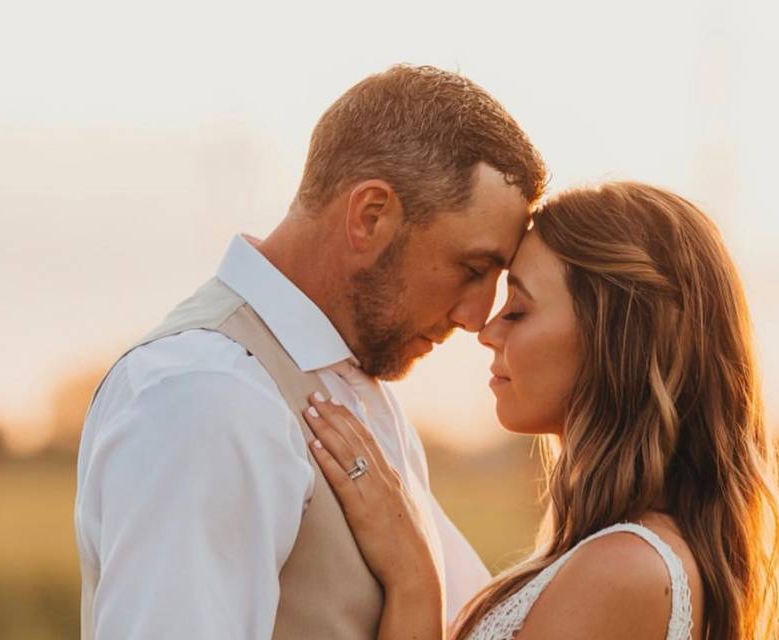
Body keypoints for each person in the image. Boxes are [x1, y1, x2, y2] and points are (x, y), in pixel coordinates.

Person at [73, 64, 547, 639]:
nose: (477, 316)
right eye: (472, 269)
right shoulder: (205, 396)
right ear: (370, 216)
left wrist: (417, 581)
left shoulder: (355, 388)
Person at [303, 182, 779, 640]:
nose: (486, 330)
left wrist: (412, 577)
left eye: (517, 309)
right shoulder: (622, 554)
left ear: (615, 340)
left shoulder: (622, 569)